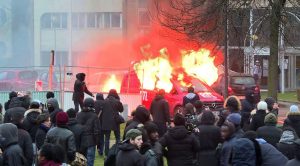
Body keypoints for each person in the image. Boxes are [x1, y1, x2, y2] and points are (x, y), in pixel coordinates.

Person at [99, 89, 123, 156]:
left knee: (107, 139)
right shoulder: (117, 101)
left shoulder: (104, 101)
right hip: (115, 122)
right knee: (118, 138)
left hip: (106, 122)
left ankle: (106, 154)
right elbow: (121, 110)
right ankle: (117, 152)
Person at [76, 98, 100, 166]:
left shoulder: (78, 115)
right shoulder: (94, 116)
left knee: (80, 162)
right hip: (91, 142)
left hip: (80, 142)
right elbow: (96, 131)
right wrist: (97, 143)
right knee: (90, 162)